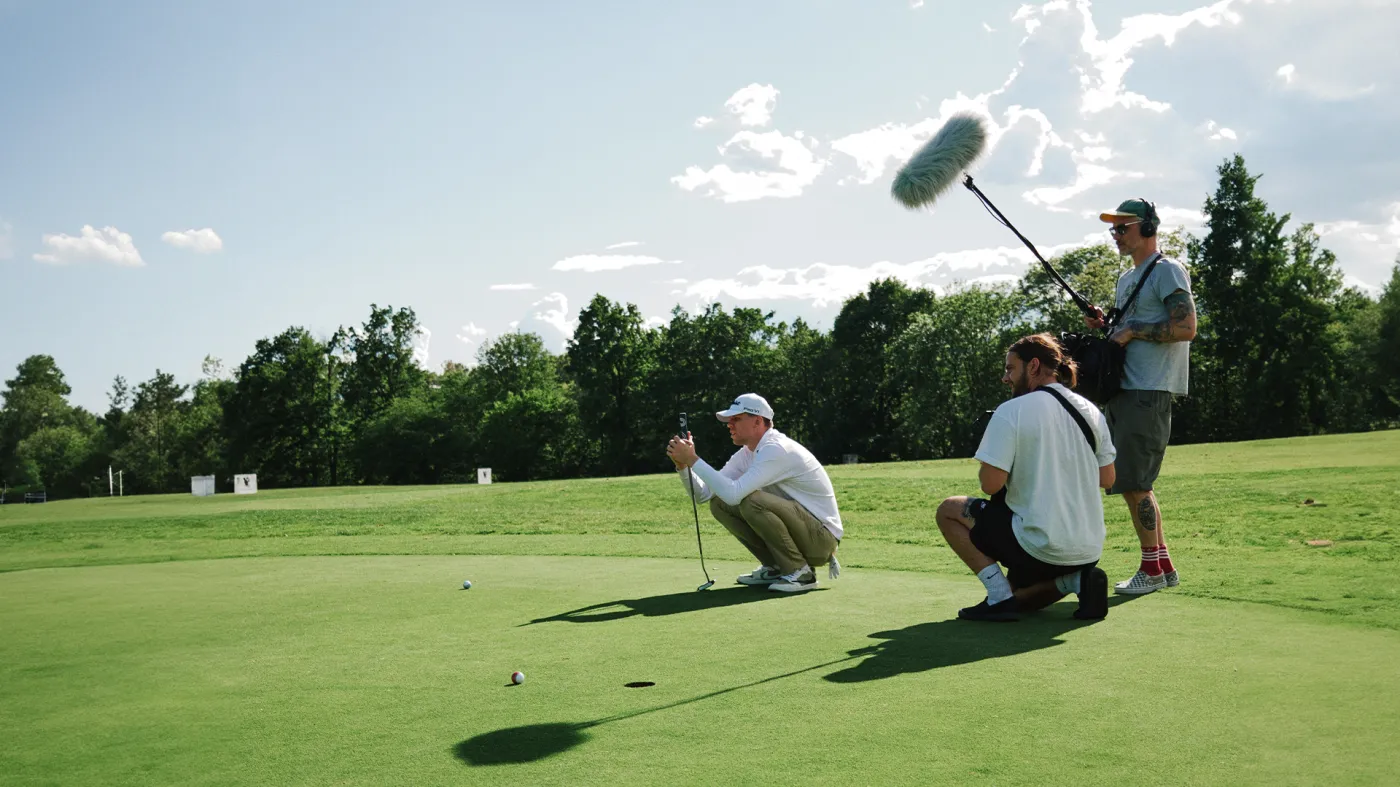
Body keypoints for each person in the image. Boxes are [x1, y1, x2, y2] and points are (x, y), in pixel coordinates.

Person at [935, 334, 1117, 622]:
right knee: (1023, 595)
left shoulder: (1011, 411)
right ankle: (1076, 582)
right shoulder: (1091, 411)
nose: (1005, 378)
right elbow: (1107, 478)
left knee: (948, 510)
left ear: (1033, 366)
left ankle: (998, 596)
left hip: (1039, 549)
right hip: (1088, 550)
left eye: (1010, 369)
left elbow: (990, 484)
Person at [1088, 198, 1197, 595]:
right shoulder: (1127, 279)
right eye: (1113, 229)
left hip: (1148, 390)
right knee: (1134, 482)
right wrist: (1109, 323)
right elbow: (1126, 329)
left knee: (1135, 482)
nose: (1115, 235)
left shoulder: (1167, 271)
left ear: (1148, 228)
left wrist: (1132, 329)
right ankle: (1162, 567)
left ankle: (1150, 571)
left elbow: (1185, 327)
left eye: (1123, 228)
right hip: (1125, 387)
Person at [666, 393, 842, 594]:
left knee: (751, 500)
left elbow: (734, 494)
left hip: (821, 540)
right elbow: (704, 495)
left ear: (758, 421)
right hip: (805, 534)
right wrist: (683, 466)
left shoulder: (776, 448)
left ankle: (801, 573)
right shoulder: (747, 453)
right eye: (729, 420)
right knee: (719, 504)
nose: (729, 425)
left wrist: (694, 459)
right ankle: (775, 567)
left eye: (736, 419)